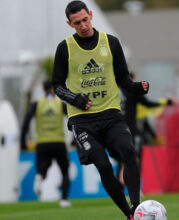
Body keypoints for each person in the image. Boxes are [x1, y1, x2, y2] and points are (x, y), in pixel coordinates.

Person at [52, 1, 149, 219]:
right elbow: (57, 85)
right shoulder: (64, 48)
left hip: (111, 115)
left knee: (128, 151)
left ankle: (136, 206)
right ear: (70, 24)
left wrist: (136, 88)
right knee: (103, 166)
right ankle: (128, 214)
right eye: (77, 23)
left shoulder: (111, 43)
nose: (83, 25)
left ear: (91, 15)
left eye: (85, 19)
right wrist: (75, 98)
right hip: (82, 120)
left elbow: (122, 78)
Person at [20, 79, 71, 208]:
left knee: (43, 167)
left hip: (42, 143)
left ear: (43, 90)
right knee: (65, 171)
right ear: (53, 89)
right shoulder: (60, 104)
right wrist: (75, 139)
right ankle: (64, 199)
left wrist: (23, 140)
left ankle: (39, 176)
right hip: (58, 142)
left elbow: (27, 120)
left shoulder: (37, 104)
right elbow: (72, 118)